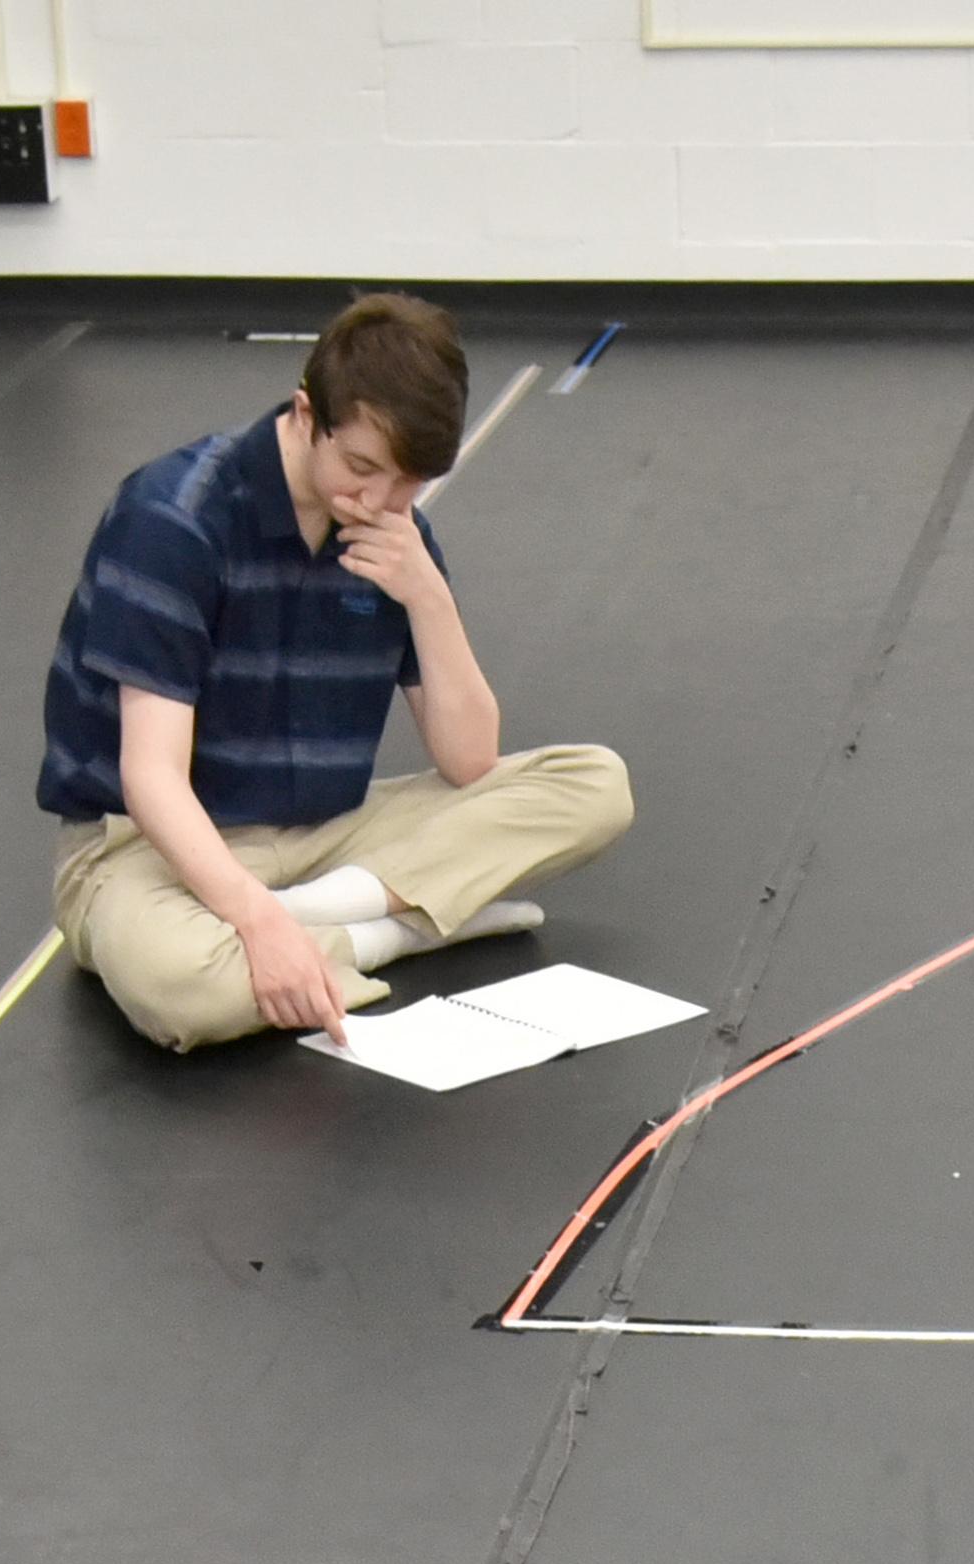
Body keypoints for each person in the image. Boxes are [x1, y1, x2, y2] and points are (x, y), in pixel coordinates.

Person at [37, 293, 637, 1050]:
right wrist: (256, 916)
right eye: (360, 467)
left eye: (409, 483)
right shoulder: (174, 521)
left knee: (594, 783)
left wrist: (428, 596)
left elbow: (470, 759)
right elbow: (152, 779)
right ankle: (398, 933)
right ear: (305, 412)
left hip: (325, 836)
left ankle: (313, 924)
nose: (380, 500)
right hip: (147, 848)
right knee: (182, 985)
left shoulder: (392, 530)